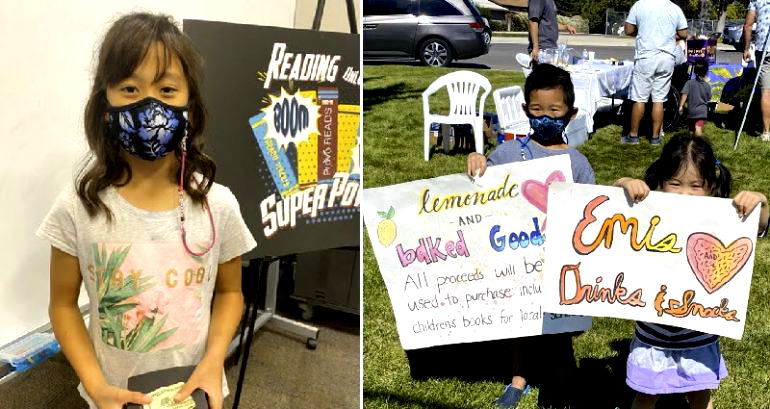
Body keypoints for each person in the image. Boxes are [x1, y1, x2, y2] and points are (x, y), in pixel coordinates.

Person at [36, 13, 257, 409]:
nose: (150, 105)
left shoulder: (218, 205)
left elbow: (230, 292)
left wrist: (213, 360)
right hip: (111, 397)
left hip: (197, 392)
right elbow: (62, 304)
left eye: (167, 88)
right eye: (130, 88)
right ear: (106, 104)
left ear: (191, 103)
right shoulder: (77, 207)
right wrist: (95, 383)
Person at [467, 63, 594, 409]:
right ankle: (518, 379)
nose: (546, 118)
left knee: (561, 330)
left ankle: (564, 380)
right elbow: (481, 189)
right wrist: (478, 161)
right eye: (537, 111)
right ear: (525, 110)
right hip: (517, 261)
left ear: (571, 113)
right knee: (519, 324)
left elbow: (590, 212)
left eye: (555, 111)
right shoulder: (508, 154)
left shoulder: (578, 163)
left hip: (559, 262)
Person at [615, 135, 769, 409]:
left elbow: (760, 225)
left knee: (700, 395)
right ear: (660, 182)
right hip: (654, 333)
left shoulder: (724, 218)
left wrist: (759, 202)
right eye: (675, 183)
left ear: (711, 186)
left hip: (699, 333)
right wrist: (626, 184)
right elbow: (611, 202)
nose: (684, 193)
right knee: (647, 394)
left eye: (695, 185)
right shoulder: (645, 213)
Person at [623, 0, 688, 145]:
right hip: (666, 58)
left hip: (646, 56)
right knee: (659, 99)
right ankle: (655, 137)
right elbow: (684, 32)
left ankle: (633, 135)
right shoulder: (674, 8)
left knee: (639, 98)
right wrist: (671, 34)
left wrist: (641, 32)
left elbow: (628, 30)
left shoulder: (640, 5)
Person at [743, 0, 770, 141]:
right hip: (763, 47)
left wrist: (746, 48)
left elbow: (748, 25)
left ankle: (766, 132)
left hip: (764, 48)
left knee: (766, 91)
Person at [679, 60, 713, 137]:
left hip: (691, 111)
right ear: (706, 72)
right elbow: (709, 98)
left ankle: (691, 143)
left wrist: (681, 106)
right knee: (698, 127)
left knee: (691, 129)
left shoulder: (689, 83)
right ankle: (699, 144)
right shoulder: (707, 85)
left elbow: (684, 95)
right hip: (702, 112)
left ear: (694, 71)